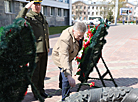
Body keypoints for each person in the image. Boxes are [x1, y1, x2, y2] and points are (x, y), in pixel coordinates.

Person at [16, 0, 51, 99]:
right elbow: (18, 19)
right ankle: (36, 93)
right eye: (35, 5)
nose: (38, 7)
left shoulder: (41, 16)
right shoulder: (29, 17)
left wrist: (47, 46)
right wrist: (26, 7)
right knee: (35, 74)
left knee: (42, 72)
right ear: (32, 6)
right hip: (35, 50)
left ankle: (41, 90)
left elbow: (45, 33)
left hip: (44, 49)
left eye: (39, 4)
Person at [52, 21, 86, 101]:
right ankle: (65, 99)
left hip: (69, 55)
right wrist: (69, 75)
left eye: (82, 36)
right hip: (60, 57)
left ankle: (61, 86)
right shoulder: (65, 38)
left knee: (63, 73)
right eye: (79, 36)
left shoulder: (78, 33)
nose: (81, 38)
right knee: (66, 76)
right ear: (74, 31)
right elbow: (64, 57)